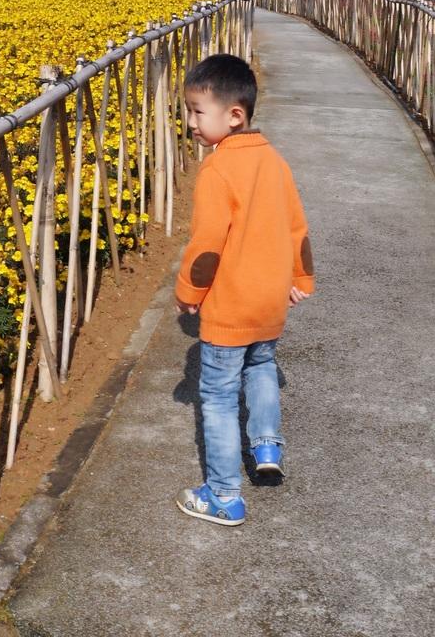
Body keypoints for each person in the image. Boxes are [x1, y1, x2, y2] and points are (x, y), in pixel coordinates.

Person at [174, 53, 314, 526]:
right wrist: (301, 279)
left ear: (234, 115)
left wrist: (189, 293)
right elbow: (297, 228)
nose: (190, 122)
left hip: (231, 304)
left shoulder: (217, 171)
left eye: (197, 111)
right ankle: (267, 442)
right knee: (263, 365)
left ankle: (224, 495)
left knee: (215, 395)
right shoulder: (275, 162)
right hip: (270, 301)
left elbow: (207, 244)